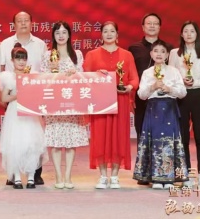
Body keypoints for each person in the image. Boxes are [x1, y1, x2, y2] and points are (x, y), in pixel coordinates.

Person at [83, 21, 138, 190]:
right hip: (100, 102)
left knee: (118, 138)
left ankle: (114, 176)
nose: (108, 34)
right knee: (100, 137)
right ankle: (102, 176)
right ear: (101, 35)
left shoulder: (127, 55)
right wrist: (97, 75)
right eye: (105, 31)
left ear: (117, 35)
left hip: (120, 101)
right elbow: (85, 78)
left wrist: (129, 87)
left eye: (112, 31)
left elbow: (134, 79)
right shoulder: (92, 55)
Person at [0, 11, 48, 185]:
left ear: (32, 23)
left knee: (33, 139)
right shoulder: (5, 44)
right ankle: (14, 174)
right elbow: (1, 70)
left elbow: (45, 71)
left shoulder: (40, 44)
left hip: (34, 102)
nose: (23, 23)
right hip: (14, 101)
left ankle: (34, 174)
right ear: (14, 24)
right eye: (19, 21)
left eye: (26, 20)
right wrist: (5, 96)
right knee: (15, 139)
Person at [133, 40, 188, 189]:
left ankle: (169, 178)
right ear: (151, 54)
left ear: (167, 55)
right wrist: (152, 87)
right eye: (156, 51)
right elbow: (141, 95)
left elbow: (183, 92)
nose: (159, 54)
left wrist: (169, 89)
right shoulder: (147, 73)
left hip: (169, 109)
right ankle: (156, 178)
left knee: (169, 142)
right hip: (153, 110)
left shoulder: (173, 71)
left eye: (163, 51)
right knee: (155, 142)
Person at [168, 21, 200, 188]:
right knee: (183, 137)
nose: (189, 34)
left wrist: (195, 82)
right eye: (186, 31)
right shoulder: (174, 53)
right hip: (181, 96)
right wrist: (181, 81)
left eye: (192, 31)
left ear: (197, 34)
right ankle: (186, 173)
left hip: (199, 95)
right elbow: (170, 74)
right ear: (181, 34)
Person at [41, 21, 86, 189]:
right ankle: (58, 177)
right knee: (56, 141)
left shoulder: (77, 54)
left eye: (64, 32)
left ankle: (68, 176)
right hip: (54, 103)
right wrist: (51, 71)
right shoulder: (47, 55)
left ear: (69, 35)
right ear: (53, 35)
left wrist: (75, 73)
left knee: (70, 142)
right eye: (57, 33)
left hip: (72, 103)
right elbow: (42, 79)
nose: (61, 36)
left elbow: (82, 76)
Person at [128, 13, 166, 146]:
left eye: (155, 23)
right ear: (143, 27)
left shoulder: (168, 48)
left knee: (162, 133)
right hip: (142, 97)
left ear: (160, 27)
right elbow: (130, 74)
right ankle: (143, 159)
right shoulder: (134, 48)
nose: (152, 26)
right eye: (149, 23)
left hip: (163, 96)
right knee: (142, 131)